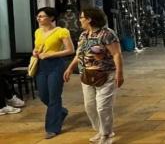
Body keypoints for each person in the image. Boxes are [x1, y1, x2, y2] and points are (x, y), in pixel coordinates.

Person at [64, 8, 124, 144]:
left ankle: (107, 135)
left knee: (103, 106)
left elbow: (116, 54)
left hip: (105, 74)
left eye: (81, 18)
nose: (79, 20)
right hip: (86, 75)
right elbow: (79, 54)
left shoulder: (107, 34)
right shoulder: (83, 35)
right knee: (89, 106)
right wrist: (69, 68)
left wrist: (119, 73)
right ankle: (101, 130)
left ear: (89, 19)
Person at [33, 7, 75, 139]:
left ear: (51, 18)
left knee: (54, 97)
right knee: (43, 95)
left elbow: (70, 50)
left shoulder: (61, 31)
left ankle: (52, 128)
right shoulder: (38, 32)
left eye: (42, 16)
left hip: (56, 65)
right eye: (38, 16)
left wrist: (52, 54)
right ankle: (60, 112)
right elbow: (37, 47)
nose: (39, 18)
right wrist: (35, 52)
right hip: (41, 65)